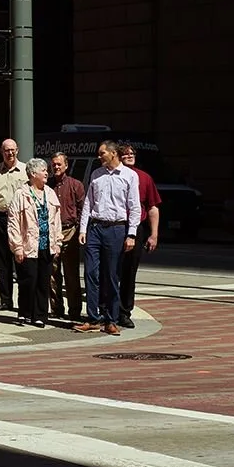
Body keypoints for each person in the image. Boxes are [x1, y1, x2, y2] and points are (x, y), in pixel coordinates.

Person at [77, 140, 140, 336]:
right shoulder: (96, 174)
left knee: (112, 275)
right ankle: (93, 317)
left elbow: (135, 206)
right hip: (95, 227)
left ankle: (111, 320)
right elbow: (88, 203)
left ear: (113, 154)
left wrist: (131, 234)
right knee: (90, 273)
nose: (99, 156)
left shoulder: (130, 176)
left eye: (102, 153)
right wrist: (83, 229)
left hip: (116, 229)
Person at [8, 158, 62, 327]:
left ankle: (39, 315)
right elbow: (13, 222)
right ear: (32, 174)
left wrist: (58, 243)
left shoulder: (50, 193)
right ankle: (24, 313)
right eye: (43, 170)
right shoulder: (21, 194)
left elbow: (57, 221)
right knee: (28, 280)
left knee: (43, 281)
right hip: (28, 246)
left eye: (47, 170)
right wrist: (17, 246)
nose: (47, 173)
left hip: (47, 245)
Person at [115, 143, 161, 329]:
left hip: (136, 229)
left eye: (132, 153)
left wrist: (154, 234)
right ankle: (108, 310)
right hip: (114, 227)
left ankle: (125, 312)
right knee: (110, 271)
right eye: (125, 154)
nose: (129, 156)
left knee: (129, 272)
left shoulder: (145, 178)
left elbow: (152, 207)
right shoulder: (109, 175)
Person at [0, 138, 28, 317]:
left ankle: (24, 303)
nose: (10, 153)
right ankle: (6, 300)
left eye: (13, 150)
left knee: (22, 261)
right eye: (6, 150)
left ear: (17, 150)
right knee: (3, 263)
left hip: (20, 220)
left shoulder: (25, 171)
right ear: (1, 152)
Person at [47, 151, 85, 322]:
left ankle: (75, 310)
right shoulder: (47, 186)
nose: (56, 167)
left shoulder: (76, 185)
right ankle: (56, 309)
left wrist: (78, 229)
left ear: (66, 165)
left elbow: (82, 209)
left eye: (59, 164)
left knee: (71, 274)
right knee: (52, 274)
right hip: (51, 232)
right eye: (53, 164)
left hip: (70, 231)